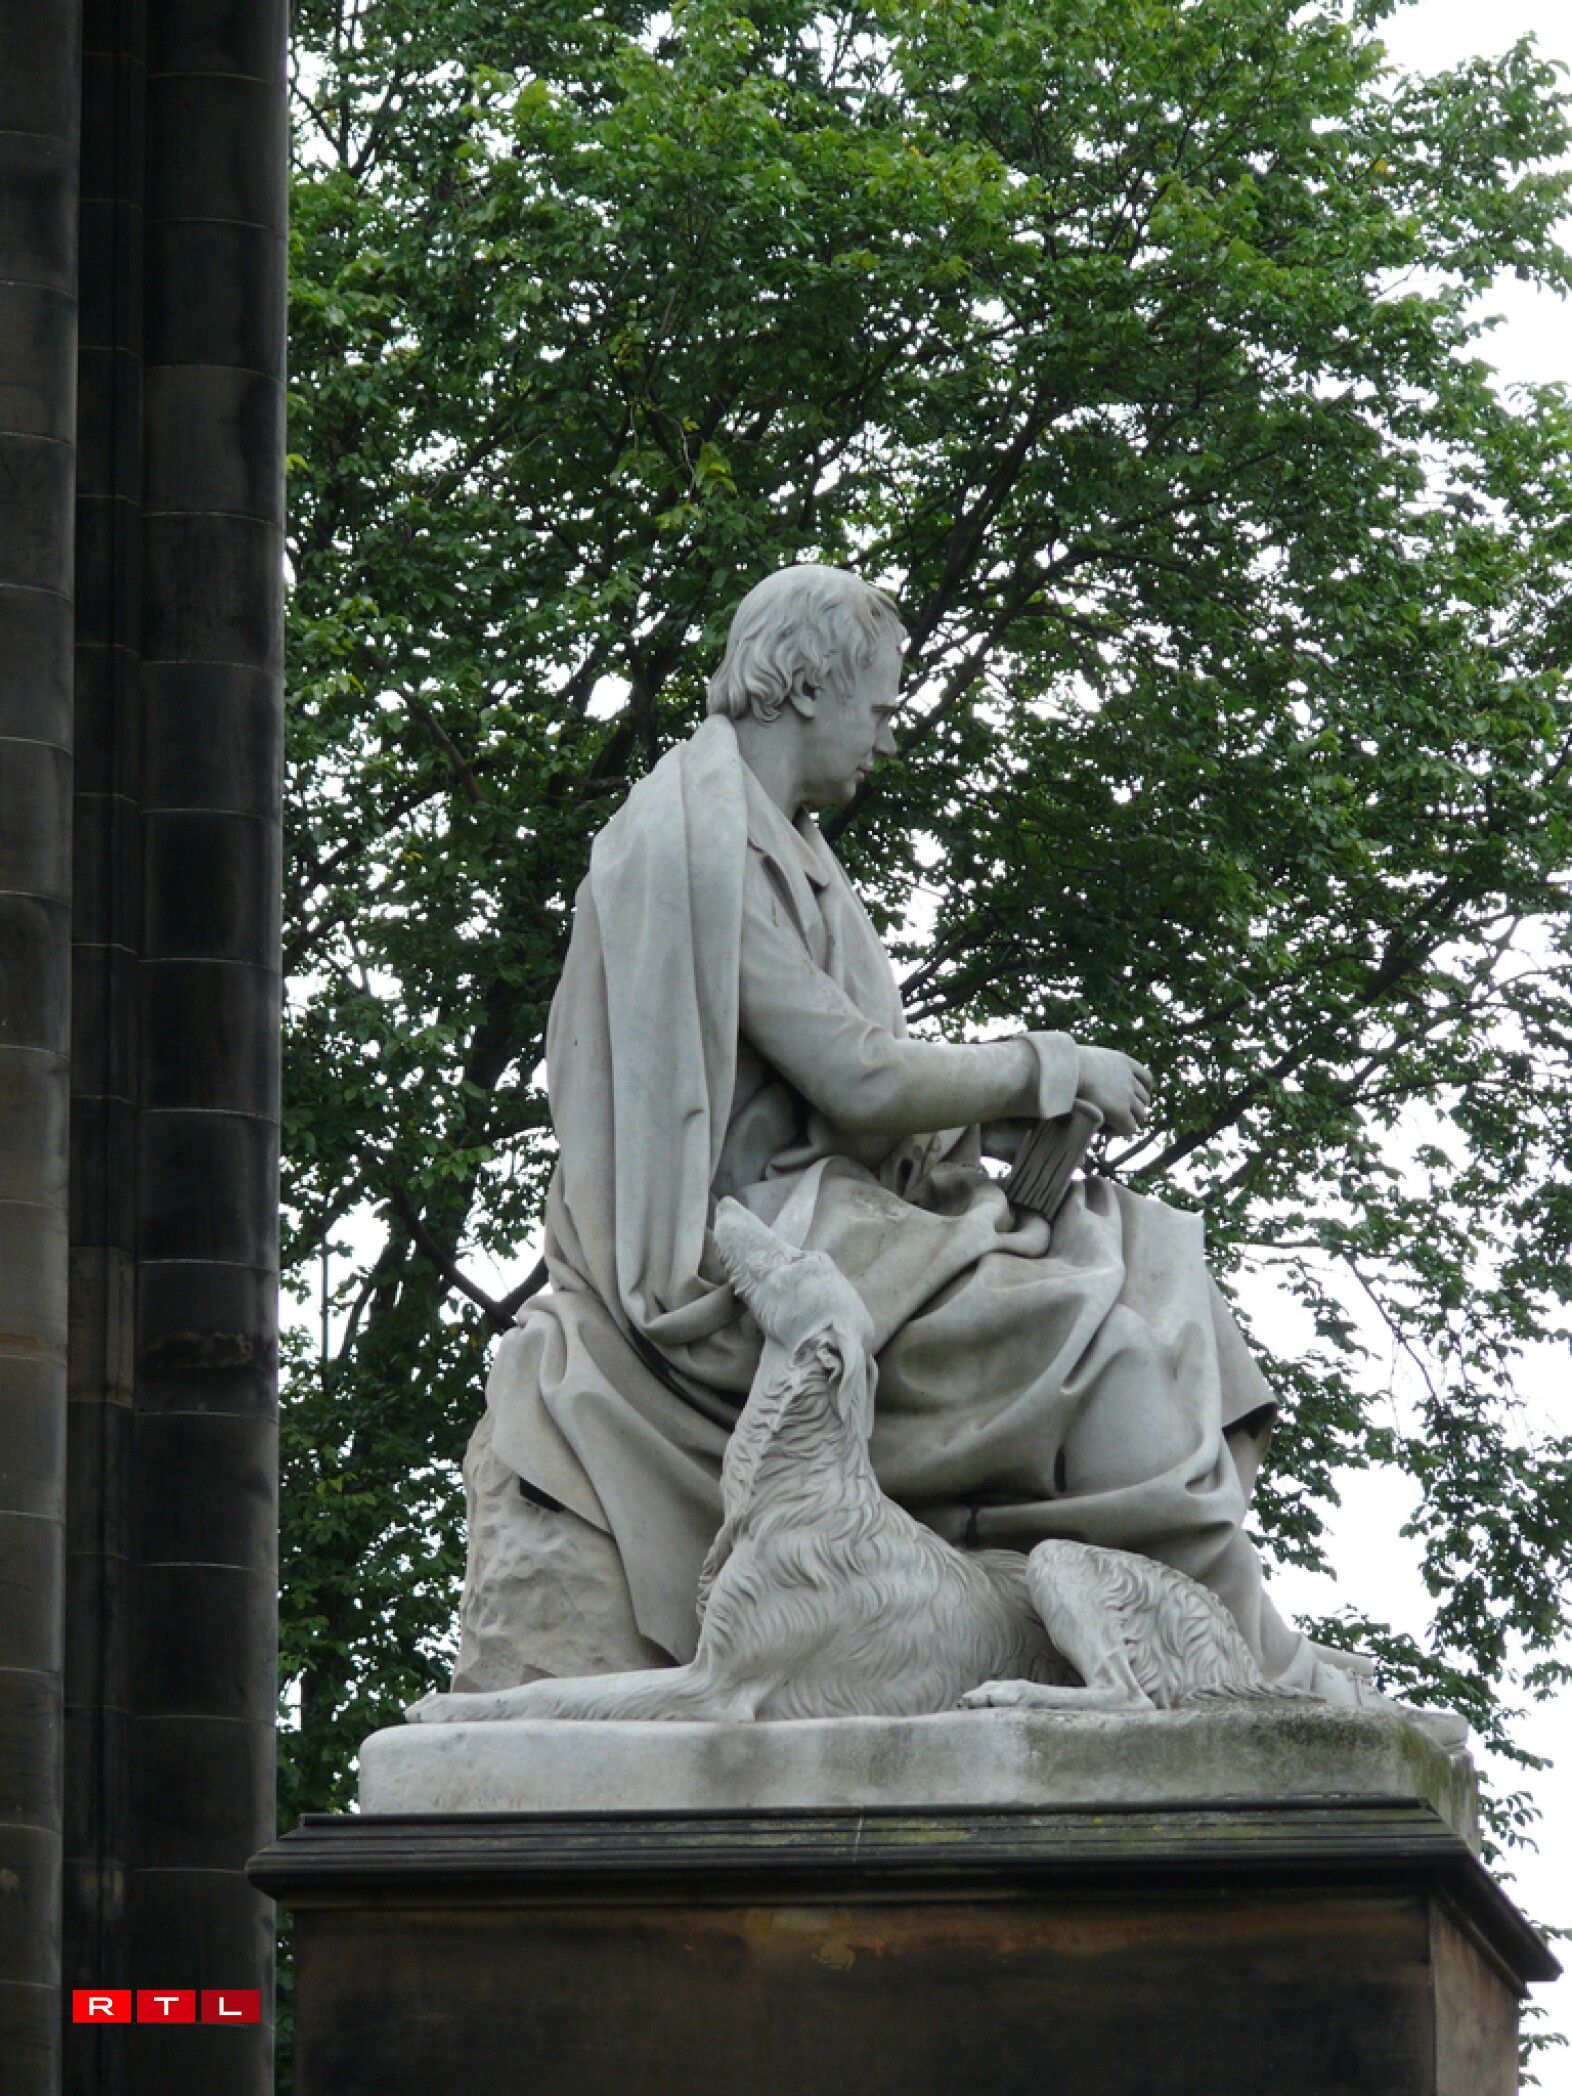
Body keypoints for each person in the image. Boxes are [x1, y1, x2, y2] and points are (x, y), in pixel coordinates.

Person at [454, 564, 1362, 1705]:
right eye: (879, 707)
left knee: (1147, 1251)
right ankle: (1252, 1671)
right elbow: (855, 1074)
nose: (888, 735)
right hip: (748, 1245)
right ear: (803, 682)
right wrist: (1046, 1065)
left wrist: (996, 1124)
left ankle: (1232, 1632)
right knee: (1101, 1337)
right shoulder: (697, 838)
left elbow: (837, 1082)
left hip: (842, 1205)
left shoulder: (793, 846)